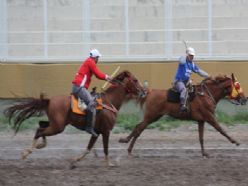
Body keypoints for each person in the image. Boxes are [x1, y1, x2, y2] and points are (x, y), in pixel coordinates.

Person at [72, 49, 112, 137]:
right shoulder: (91, 62)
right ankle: (89, 127)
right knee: (91, 103)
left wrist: (106, 78)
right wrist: (107, 77)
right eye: (98, 58)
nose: (98, 60)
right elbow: (98, 74)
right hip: (79, 88)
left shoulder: (88, 61)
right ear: (95, 57)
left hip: (78, 87)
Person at [174, 47, 210, 112]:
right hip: (179, 81)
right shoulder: (183, 60)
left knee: (195, 90)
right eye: (190, 55)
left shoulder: (192, 64)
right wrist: (185, 55)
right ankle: (182, 106)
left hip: (187, 82)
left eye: (192, 56)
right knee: (183, 90)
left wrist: (208, 76)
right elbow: (181, 61)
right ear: (187, 55)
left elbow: (199, 71)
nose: (192, 57)